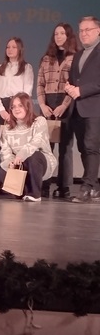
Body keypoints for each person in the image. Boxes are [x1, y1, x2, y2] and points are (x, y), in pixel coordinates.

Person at [37, 23, 79, 199]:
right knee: (46, 147)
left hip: (66, 103)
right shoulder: (47, 58)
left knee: (65, 148)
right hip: (48, 102)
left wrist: (64, 105)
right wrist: (42, 105)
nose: (59, 36)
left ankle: (64, 187)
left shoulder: (75, 57)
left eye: (62, 33)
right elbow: (40, 84)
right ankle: (44, 184)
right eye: (56, 33)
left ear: (68, 36)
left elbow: (75, 83)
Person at [64, 16, 100, 204]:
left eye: (88, 29)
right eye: (81, 30)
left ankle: (87, 187)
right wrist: (69, 87)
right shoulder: (78, 55)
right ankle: (94, 187)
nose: (84, 34)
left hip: (95, 108)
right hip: (78, 108)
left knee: (91, 147)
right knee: (83, 148)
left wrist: (81, 90)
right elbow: (74, 80)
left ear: (98, 31)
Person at [0, 93, 57, 202]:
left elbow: (36, 142)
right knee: (2, 171)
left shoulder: (39, 121)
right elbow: (5, 151)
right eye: (13, 107)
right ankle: (22, 190)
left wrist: (21, 155)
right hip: (19, 163)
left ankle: (35, 194)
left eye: (20, 105)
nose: (16, 109)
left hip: (40, 161)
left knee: (33, 157)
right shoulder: (7, 128)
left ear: (28, 106)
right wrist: (11, 162)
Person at [0, 37, 34, 124]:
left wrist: (18, 107)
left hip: (19, 106)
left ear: (20, 49)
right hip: (2, 106)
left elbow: (27, 91)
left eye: (14, 47)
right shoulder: (0, 68)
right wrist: (1, 110)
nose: (10, 49)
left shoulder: (26, 67)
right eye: (8, 47)